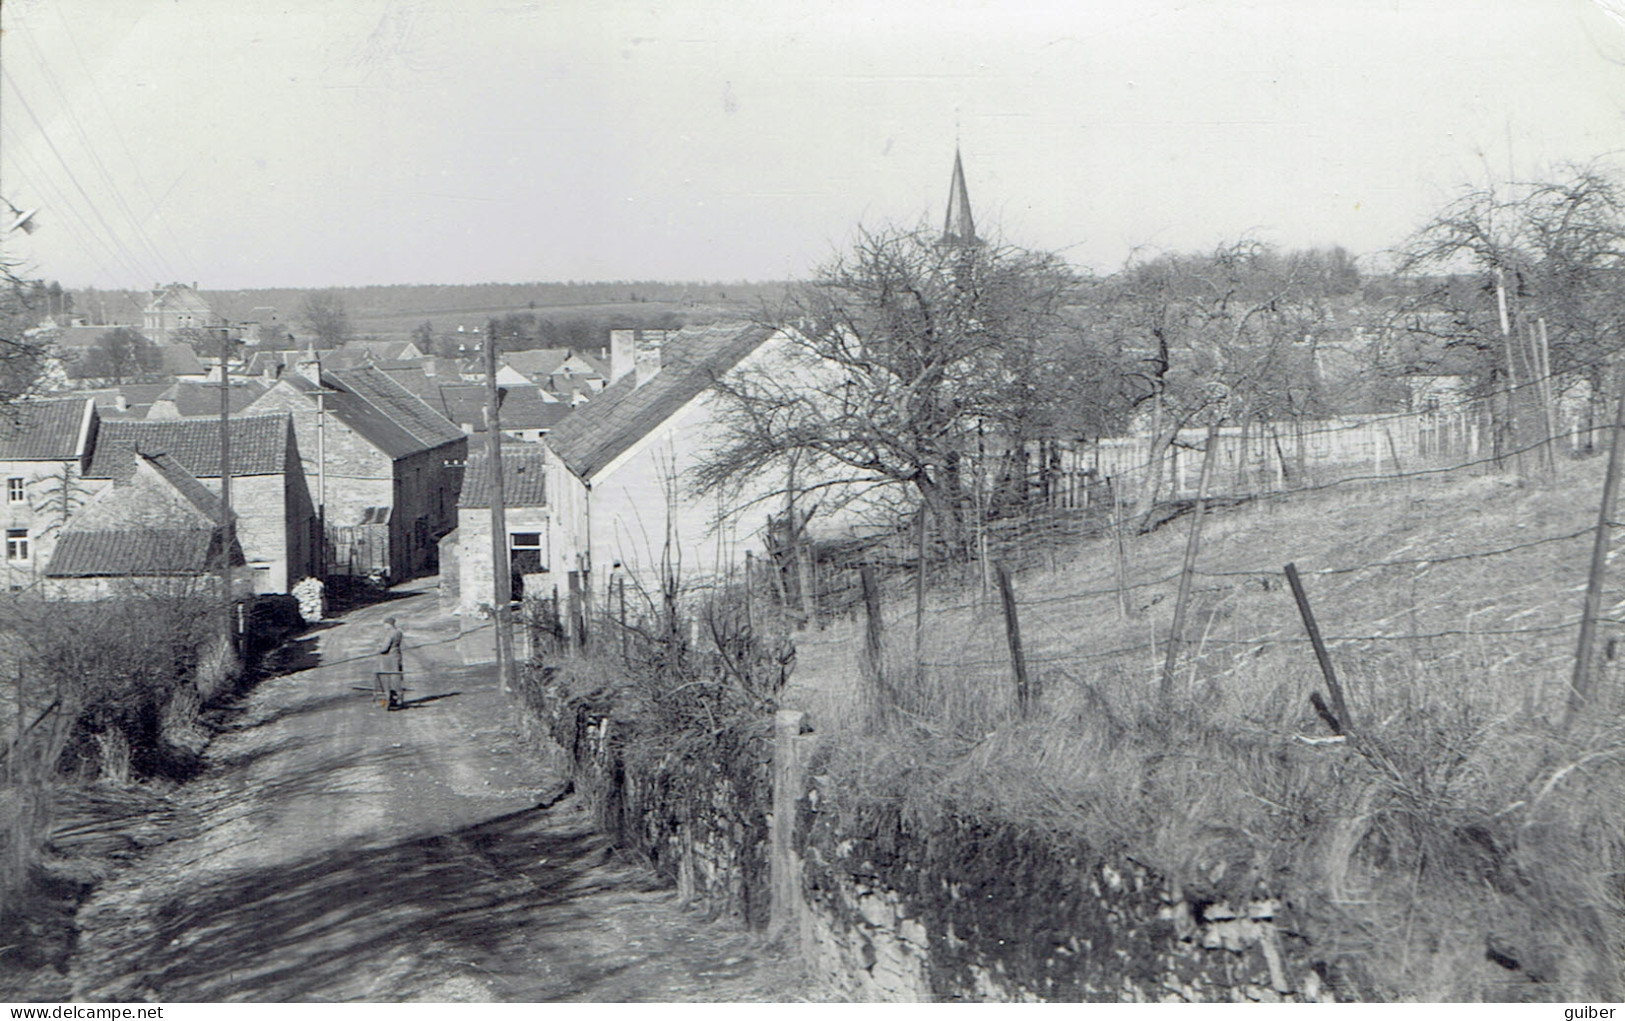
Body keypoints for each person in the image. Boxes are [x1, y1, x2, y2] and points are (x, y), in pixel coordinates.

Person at [378, 616, 404, 709]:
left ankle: (388, 699)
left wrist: (379, 647)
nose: (384, 626)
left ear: (388, 624)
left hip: (388, 659)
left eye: (385, 624)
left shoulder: (390, 634)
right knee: (397, 678)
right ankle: (399, 698)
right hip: (397, 657)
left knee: (386, 679)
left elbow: (384, 649)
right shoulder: (399, 632)